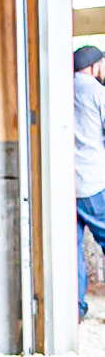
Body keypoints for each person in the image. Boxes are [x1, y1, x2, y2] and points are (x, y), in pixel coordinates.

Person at [75, 45, 105, 319]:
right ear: (95, 66)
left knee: (71, 249)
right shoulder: (96, 91)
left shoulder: (61, 87)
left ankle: (75, 310)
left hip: (64, 184)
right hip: (92, 181)